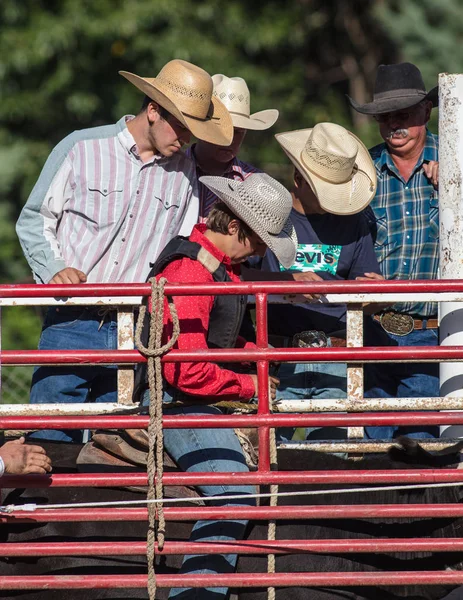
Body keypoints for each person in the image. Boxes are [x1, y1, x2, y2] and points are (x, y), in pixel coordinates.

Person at [16, 59, 233, 443]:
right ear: (152, 110)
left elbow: (178, 252)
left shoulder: (185, 176)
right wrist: (54, 268)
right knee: (48, 437)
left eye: (192, 129)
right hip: (72, 317)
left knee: (114, 444)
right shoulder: (81, 147)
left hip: (137, 324)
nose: (186, 138)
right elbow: (34, 218)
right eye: (181, 125)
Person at [137, 172, 296, 600]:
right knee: (233, 491)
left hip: (187, 394)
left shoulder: (213, 267)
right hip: (176, 400)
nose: (260, 252)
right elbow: (184, 370)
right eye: (258, 242)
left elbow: (208, 340)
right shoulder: (191, 271)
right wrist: (249, 385)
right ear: (232, 227)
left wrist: (258, 356)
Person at [252, 122, 383, 441]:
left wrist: (379, 295)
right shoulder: (265, 215)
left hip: (335, 354)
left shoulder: (355, 224)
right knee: (267, 451)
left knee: (332, 455)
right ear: (298, 179)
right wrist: (286, 281)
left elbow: (368, 296)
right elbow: (237, 277)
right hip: (276, 357)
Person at [347, 62, 439, 440]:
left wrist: (455, 189)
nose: (394, 124)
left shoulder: (455, 163)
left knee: (424, 449)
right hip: (374, 333)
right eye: (386, 116)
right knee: (374, 451)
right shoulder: (362, 172)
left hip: (432, 334)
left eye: (404, 114)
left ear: (425, 112)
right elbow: (344, 242)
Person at [186, 73, 278, 220]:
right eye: (223, 130)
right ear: (203, 127)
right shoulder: (170, 170)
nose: (230, 140)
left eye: (238, 132)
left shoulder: (257, 186)